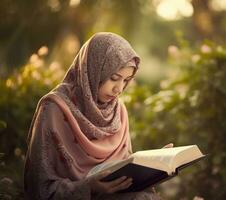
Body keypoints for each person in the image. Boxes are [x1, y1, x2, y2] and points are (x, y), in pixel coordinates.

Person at [24, 32, 170, 199]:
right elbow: (39, 187)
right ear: (93, 70)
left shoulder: (118, 111)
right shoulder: (53, 109)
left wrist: (151, 168)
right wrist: (88, 187)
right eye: (114, 78)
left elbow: (125, 171)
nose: (119, 89)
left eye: (126, 80)